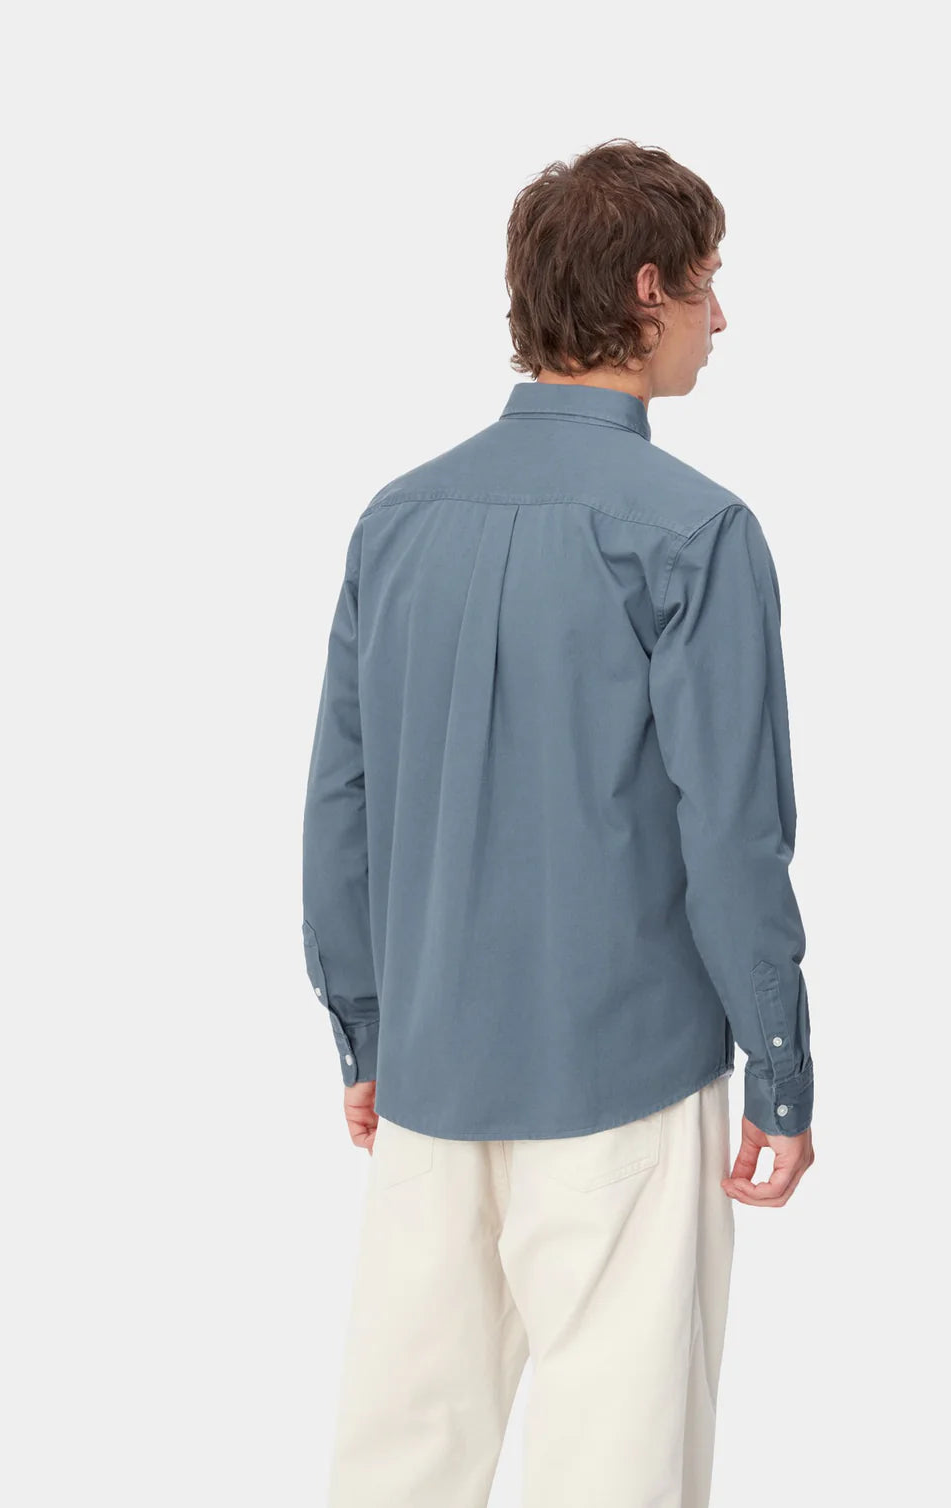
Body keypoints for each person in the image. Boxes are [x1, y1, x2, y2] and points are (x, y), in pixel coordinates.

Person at [302, 137, 816, 1508]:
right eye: (709, 283)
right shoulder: (695, 533)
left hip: (428, 1079)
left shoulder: (397, 521)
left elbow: (341, 802)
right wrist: (779, 1067)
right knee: (618, 1466)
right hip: (624, 1081)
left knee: (399, 1461)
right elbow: (732, 835)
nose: (721, 318)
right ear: (649, 289)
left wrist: (364, 1031)